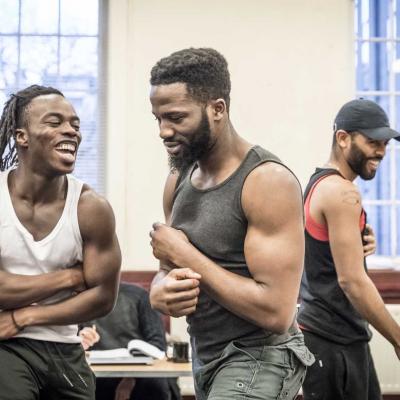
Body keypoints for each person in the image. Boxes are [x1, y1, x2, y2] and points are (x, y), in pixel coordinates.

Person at [148, 47, 314, 400]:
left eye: (176, 117)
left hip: (262, 354)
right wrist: (158, 290)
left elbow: (276, 312)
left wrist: (185, 254)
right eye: (158, 118)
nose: (164, 131)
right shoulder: (178, 180)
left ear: (217, 109)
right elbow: (167, 267)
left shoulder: (266, 181)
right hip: (206, 354)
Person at [0, 85, 121, 400]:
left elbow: (103, 298)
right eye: (54, 123)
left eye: (75, 125)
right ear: (22, 136)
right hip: (5, 348)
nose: (71, 131)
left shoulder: (91, 208)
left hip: (66, 351)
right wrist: (69, 277)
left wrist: (23, 316)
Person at [298, 99, 400, 400]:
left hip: (333, 336)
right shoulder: (342, 192)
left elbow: (322, 254)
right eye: (372, 142)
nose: (381, 151)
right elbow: (351, 281)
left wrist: (361, 241)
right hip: (332, 340)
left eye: (384, 143)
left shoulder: (320, 183)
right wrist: (397, 338)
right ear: (343, 138)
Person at [80, 282, 181, 400]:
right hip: (99, 376)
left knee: (153, 385)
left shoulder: (139, 295)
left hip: (142, 375)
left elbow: (158, 345)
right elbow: (71, 348)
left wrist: (130, 377)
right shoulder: (81, 300)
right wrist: (80, 341)